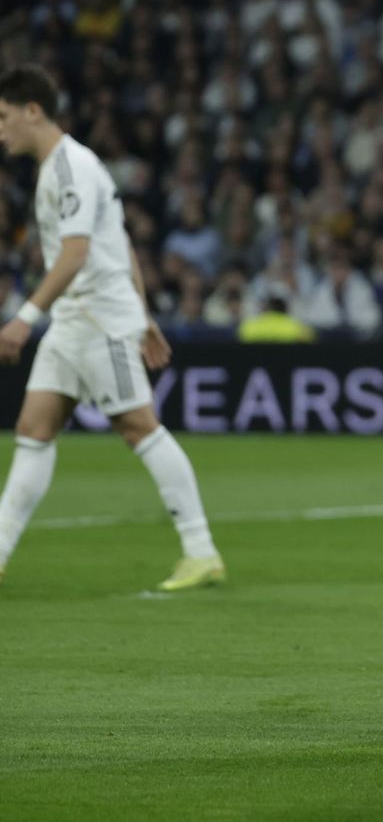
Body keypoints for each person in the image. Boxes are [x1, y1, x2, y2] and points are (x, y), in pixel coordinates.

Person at [0, 65, 224, 591]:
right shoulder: (59, 166)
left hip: (98, 319)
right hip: (76, 319)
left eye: (4, 117)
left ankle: (201, 550)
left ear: (34, 112)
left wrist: (23, 318)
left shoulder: (72, 167)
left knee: (138, 428)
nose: (0, 129)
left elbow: (77, 254)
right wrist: (144, 314)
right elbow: (118, 243)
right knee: (34, 431)